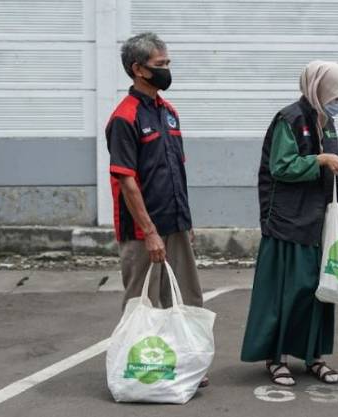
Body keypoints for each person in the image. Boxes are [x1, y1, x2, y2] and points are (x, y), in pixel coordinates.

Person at [241, 61, 338, 386]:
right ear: (320, 90)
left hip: (320, 218)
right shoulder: (290, 119)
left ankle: (314, 356)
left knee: (317, 290)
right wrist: (321, 159)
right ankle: (275, 358)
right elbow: (281, 166)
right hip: (288, 220)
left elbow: (324, 162)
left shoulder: (327, 122)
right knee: (285, 291)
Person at [105, 32, 207, 386]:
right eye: (160, 65)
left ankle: (185, 361)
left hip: (175, 223)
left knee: (185, 298)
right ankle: (137, 373)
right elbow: (127, 181)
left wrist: (185, 222)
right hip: (141, 231)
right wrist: (149, 232)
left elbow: (176, 169)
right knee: (142, 303)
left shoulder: (168, 112)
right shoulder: (124, 117)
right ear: (138, 70)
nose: (167, 70)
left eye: (167, 64)